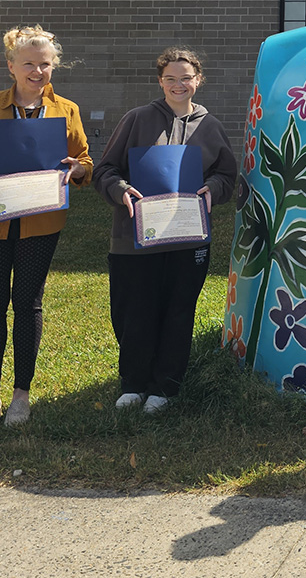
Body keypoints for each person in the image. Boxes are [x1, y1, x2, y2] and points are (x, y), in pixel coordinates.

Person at [0, 25, 93, 428]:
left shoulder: (67, 110)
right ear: (11, 66)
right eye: (28, 63)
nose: (37, 71)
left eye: (45, 64)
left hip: (40, 224)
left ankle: (21, 397)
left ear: (53, 67)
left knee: (28, 305)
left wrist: (78, 169)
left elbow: (84, 161)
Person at [93, 48, 236, 414]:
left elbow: (226, 175)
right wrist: (120, 189)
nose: (178, 85)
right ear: (160, 81)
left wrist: (213, 190)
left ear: (198, 80)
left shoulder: (212, 127)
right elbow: (105, 170)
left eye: (185, 78)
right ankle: (133, 384)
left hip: (188, 237)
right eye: (170, 78)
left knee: (178, 310)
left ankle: (164, 388)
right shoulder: (137, 119)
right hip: (135, 239)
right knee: (134, 311)